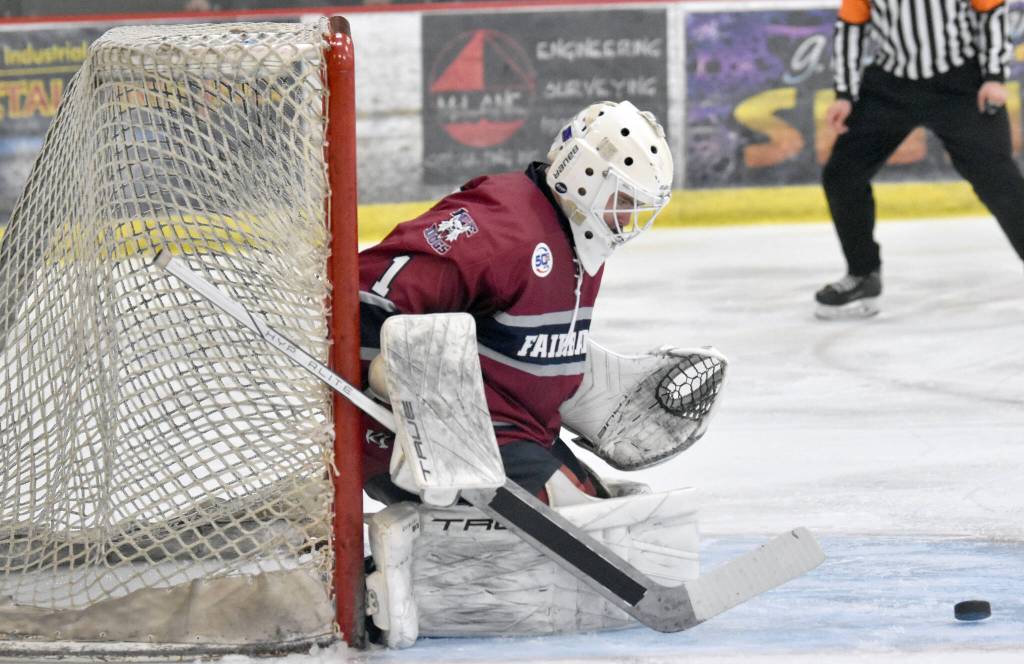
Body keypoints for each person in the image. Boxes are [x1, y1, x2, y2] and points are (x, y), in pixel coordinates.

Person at [357, 100, 673, 506]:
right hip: (445, 444)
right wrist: (388, 401)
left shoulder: (582, 239)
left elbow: (521, 350)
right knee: (589, 524)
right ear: (586, 176)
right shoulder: (503, 229)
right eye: (623, 199)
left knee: (617, 506)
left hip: (518, 435)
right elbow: (369, 297)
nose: (627, 218)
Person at [815, 0, 1024, 319]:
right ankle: (863, 274)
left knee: (1000, 182)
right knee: (843, 174)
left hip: (962, 84)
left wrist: (994, 74)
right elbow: (851, 28)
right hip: (890, 86)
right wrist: (844, 93)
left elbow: (992, 11)